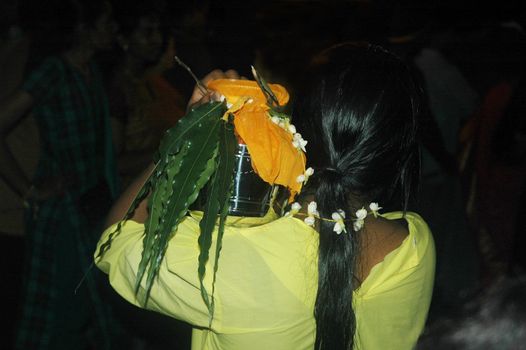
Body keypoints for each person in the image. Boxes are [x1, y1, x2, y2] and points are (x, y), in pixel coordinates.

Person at [95, 43, 435, 349]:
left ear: (295, 129)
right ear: (397, 154)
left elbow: (116, 241)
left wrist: (186, 139)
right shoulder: (414, 248)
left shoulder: (227, 253)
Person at [0, 1, 122, 348]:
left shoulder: (91, 70)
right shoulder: (54, 71)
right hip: (63, 214)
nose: (113, 30)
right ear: (84, 28)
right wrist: (29, 191)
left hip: (90, 206)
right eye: (107, 22)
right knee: (56, 318)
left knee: (87, 312)